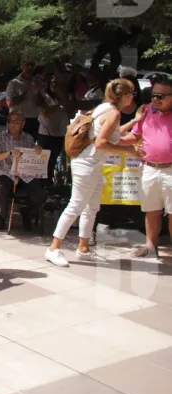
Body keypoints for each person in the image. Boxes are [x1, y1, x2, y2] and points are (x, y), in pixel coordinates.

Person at [45, 79, 137, 266]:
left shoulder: (103, 108)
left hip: (91, 164)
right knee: (76, 206)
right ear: (125, 96)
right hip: (88, 164)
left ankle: (83, 248)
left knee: (91, 207)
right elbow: (101, 142)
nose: (133, 98)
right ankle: (53, 248)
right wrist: (129, 151)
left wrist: (135, 122)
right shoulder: (114, 114)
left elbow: (113, 135)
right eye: (132, 94)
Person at [119, 74, 172, 258]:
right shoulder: (146, 110)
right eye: (153, 95)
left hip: (171, 170)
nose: (155, 99)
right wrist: (115, 143)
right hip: (149, 167)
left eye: (161, 96)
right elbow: (135, 135)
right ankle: (150, 247)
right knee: (151, 210)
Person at [0, 111, 48, 231]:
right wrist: (9, 153)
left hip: (23, 173)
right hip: (5, 171)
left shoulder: (28, 138)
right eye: (11, 122)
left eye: (17, 122)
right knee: (3, 189)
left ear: (23, 123)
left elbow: (33, 157)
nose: (13, 125)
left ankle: (27, 212)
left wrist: (38, 150)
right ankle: (2, 214)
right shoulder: (1, 136)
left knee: (40, 194)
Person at [37, 72, 73, 185]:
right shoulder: (42, 95)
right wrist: (58, 104)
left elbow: (70, 111)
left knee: (54, 159)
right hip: (46, 132)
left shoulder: (64, 96)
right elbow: (45, 112)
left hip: (60, 132)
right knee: (44, 158)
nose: (55, 85)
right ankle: (41, 182)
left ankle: (50, 180)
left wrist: (61, 98)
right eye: (52, 82)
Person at [6, 60, 42, 139]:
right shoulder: (14, 83)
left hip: (33, 121)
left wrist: (38, 92)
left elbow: (41, 104)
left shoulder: (38, 83)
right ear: (21, 66)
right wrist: (29, 91)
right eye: (27, 64)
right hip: (16, 121)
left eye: (32, 65)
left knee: (30, 148)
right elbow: (11, 103)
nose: (30, 67)